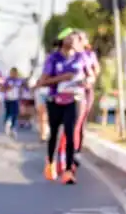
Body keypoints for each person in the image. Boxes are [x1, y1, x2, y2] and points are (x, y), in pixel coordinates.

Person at [38, 30, 88, 184]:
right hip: (55, 100)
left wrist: (86, 81)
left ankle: (68, 171)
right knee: (54, 133)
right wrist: (63, 78)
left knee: (70, 133)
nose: (72, 39)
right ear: (62, 40)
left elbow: (90, 74)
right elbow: (43, 81)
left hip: (73, 100)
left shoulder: (81, 57)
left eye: (74, 38)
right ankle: (50, 164)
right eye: (69, 37)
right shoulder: (53, 58)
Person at [75, 32, 100, 161]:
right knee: (72, 121)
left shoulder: (90, 55)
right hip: (71, 92)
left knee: (80, 122)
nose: (79, 40)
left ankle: (76, 150)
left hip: (85, 92)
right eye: (77, 38)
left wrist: (89, 79)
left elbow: (95, 71)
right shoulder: (70, 54)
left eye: (81, 38)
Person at [2, 66, 25, 137]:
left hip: (15, 100)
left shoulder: (19, 80)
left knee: (15, 114)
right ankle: (6, 124)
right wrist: (8, 88)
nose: (13, 74)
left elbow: (22, 89)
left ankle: (13, 127)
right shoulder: (7, 80)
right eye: (12, 72)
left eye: (15, 73)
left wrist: (21, 97)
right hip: (8, 99)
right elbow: (2, 89)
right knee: (8, 113)